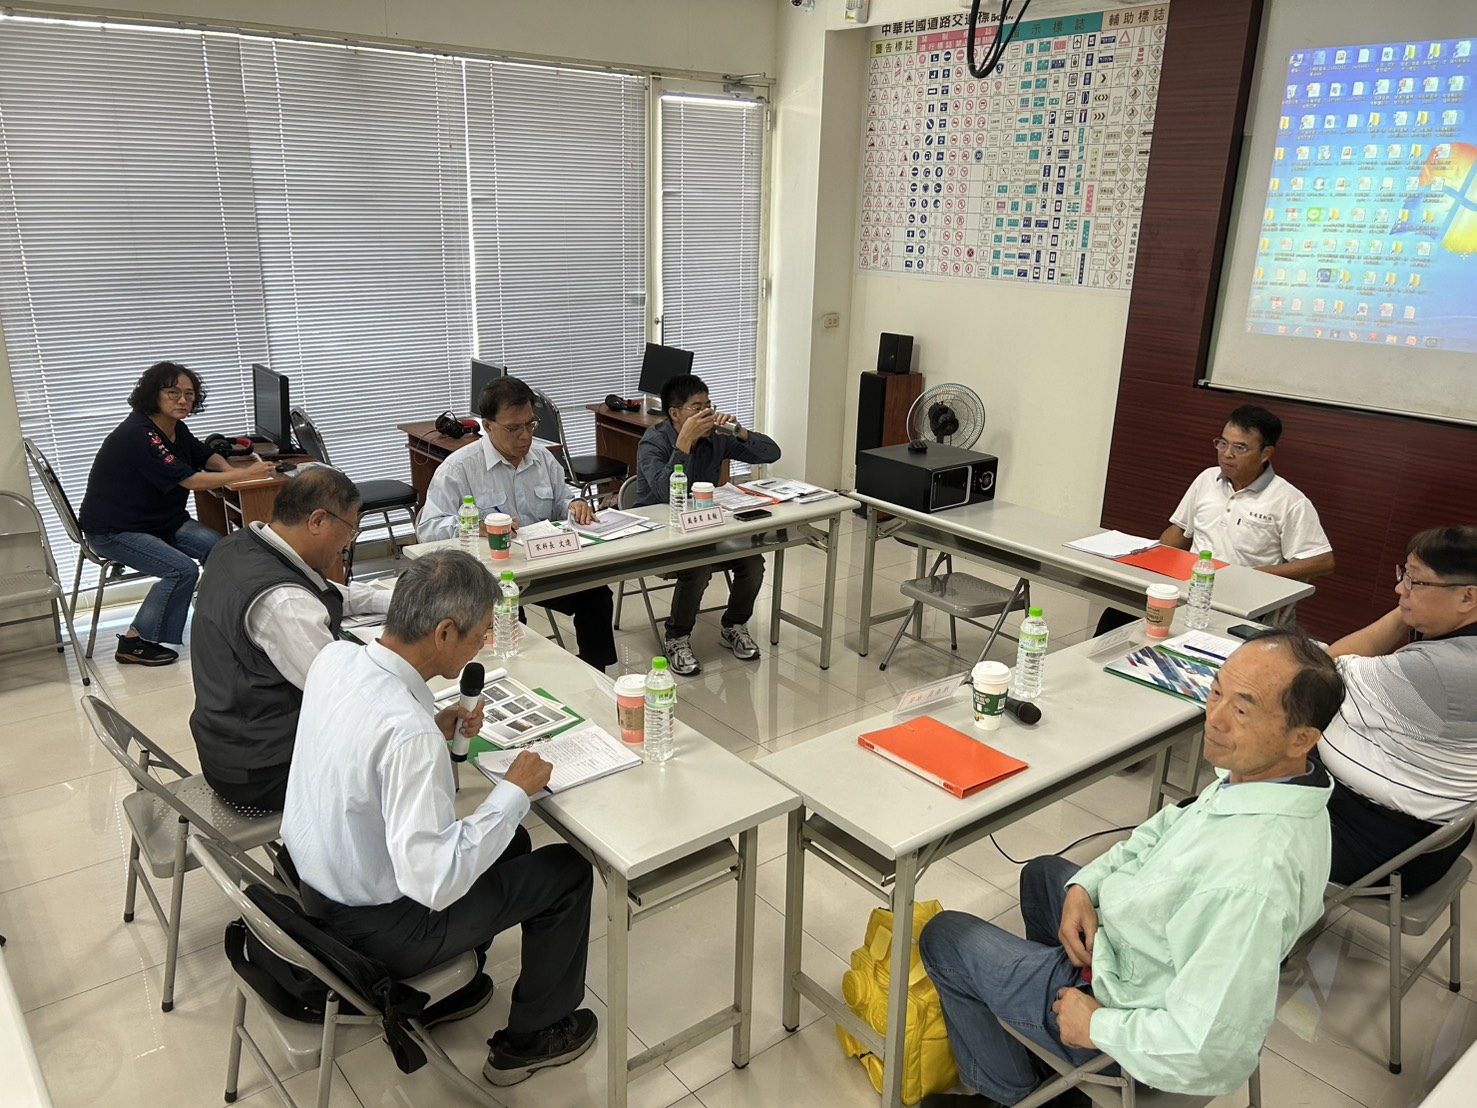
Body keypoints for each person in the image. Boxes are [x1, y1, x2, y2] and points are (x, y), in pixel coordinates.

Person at [917, 629, 1345, 1106]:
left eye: (1242, 711)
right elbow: (1161, 831)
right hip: (1134, 954)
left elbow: (1212, 1050)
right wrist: (1085, 887)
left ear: (1301, 739)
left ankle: (1016, 1094)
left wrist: (1096, 1025)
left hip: (1129, 1014)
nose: (1215, 718)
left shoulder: (1253, 878)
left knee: (944, 937)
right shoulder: (1273, 782)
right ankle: (1045, 1046)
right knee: (1043, 876)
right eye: (1216, 691)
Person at [280, 549, 596, 1087]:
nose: (484, 645)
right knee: (566, 870)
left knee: (513, 845)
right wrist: (512, 792)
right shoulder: (409, 735)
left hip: (315, 888)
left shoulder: (335, 658)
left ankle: (451, 991)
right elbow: (434, 879)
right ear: (445, 632)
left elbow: (365, 751)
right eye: (480, 634)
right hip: (380, 931)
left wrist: (433, 724)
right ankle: (532, 1039)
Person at [188, 466, 390, 811]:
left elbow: (328, 593)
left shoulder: (241, 545)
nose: (348, 544)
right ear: (318, 521)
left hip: (229, 738)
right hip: (263, 771)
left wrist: (404, 604)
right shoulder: (285, 602)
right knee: (401, 754)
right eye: (350, 530)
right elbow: (344, 695)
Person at [78, 360, 275, 666]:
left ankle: (219, 618)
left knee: (223, 550)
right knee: (181, 570)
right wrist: (243, 475)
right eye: (173, 392)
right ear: (153, 394)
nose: (182, 400)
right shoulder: (141, 434)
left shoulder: (174, 428)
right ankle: (135, 641)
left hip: (158, 521)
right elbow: (190, 480)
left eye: (189, 394)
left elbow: (204, 455)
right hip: (115, 530)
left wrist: (228, 469)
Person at [416, 376, 616, 671]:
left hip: (542, 566)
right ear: (488, 426)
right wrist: (474, 527)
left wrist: (575, 506)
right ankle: (520, 677)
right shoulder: (459, 468)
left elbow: (562, 501)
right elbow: (428, 529)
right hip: (490, 578)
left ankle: (596, 675)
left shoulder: (543, 459)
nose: (525, 437)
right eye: (513, 428)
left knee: (595, 594)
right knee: (507, 614)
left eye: (530, 425)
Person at [1318, 525, 1477, 894]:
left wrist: (1404, 613)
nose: (1399, 590)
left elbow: (1324, 669)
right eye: (1403, 575)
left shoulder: (1431, 671)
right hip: (1435, 839)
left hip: (1380, 848)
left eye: (1415, 580)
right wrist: (1414, 604)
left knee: (1216, 820)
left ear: (1468, 597)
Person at [634, 373, 781, 676]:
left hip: (706, 527)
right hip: (660, 533)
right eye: (697, 407)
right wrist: (684, 444)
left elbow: (772, 453)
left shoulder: (716, 437)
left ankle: (734, 625)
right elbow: (662, 492)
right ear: (675, 414)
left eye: (709, 405)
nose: (707, 413)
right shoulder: (654, 441)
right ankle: (677, 637)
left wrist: (739, 431)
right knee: (698, 565)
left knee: (752, 561)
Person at [1160, 405, 1334, 581]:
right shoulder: (1207, 478)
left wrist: (1253, 576)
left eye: (1240, 448)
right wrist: (1152, 561)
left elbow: (1322, 562)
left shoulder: (1289, 500)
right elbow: (1180, 530)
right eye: (1223, 443)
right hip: (1196, 584)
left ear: (1266, 454)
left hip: (1247, 591)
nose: (1227, 454)